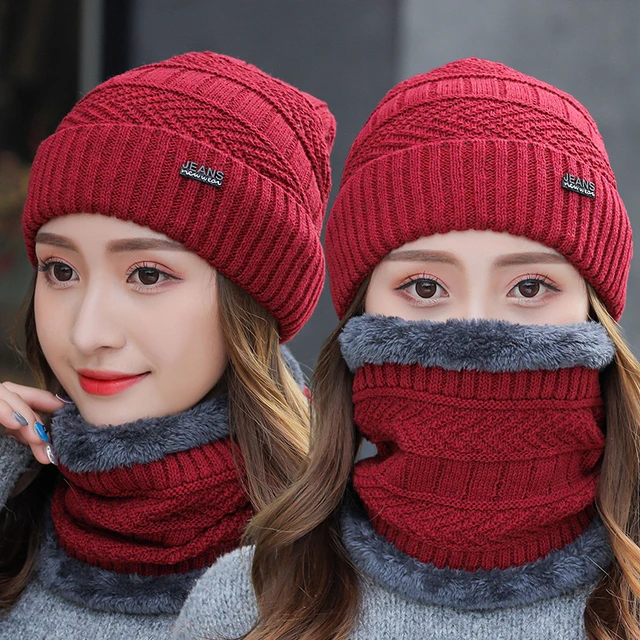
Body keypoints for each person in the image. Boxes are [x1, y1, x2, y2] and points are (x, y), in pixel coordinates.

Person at [174, 58, 640, 640]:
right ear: (360, 316)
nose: (475, 334)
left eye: (530, 287)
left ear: (593, 316)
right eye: (425, 288)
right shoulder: (246, 605)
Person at [0, 50, 335, 639]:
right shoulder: (15, 501)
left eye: (148, 275)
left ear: (250, 301)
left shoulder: (344, 561)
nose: (87, 334)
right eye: (60, 270)